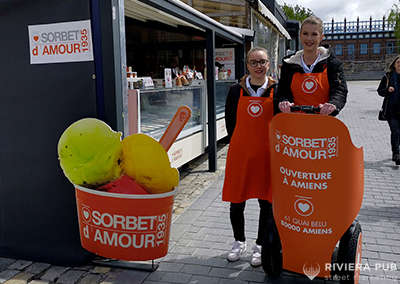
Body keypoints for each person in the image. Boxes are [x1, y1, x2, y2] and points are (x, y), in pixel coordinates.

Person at [222, 47, 278, 267]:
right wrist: (239, 144)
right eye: (253, 62)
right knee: (237, 202)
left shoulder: (276, 89)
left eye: (262, 62)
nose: (258, 66)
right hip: (241, 155)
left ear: (268, 64)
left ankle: (260, 245)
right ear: (247, 65)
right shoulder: (236, 90)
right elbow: (230, 122)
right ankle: (239, 241)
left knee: (266, 203)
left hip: (267, 156)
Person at [276, 15, 347, 116]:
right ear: (300, 35)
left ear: (321, 37)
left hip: (323, 121)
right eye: (305, 34)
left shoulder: (332, 64)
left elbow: (340, 90)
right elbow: (283, 91)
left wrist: (333, 104)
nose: (309, 38)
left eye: (314, 34)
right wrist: (284, 102)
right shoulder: (289, 64)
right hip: (294, 121)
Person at [377, 55, 400, 165]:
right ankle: (396, 153)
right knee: (395, 132)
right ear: (394, 64)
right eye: (398, 62)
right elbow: (380, 91)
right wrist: (387, 90)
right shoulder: (388, 76)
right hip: (391, 111)